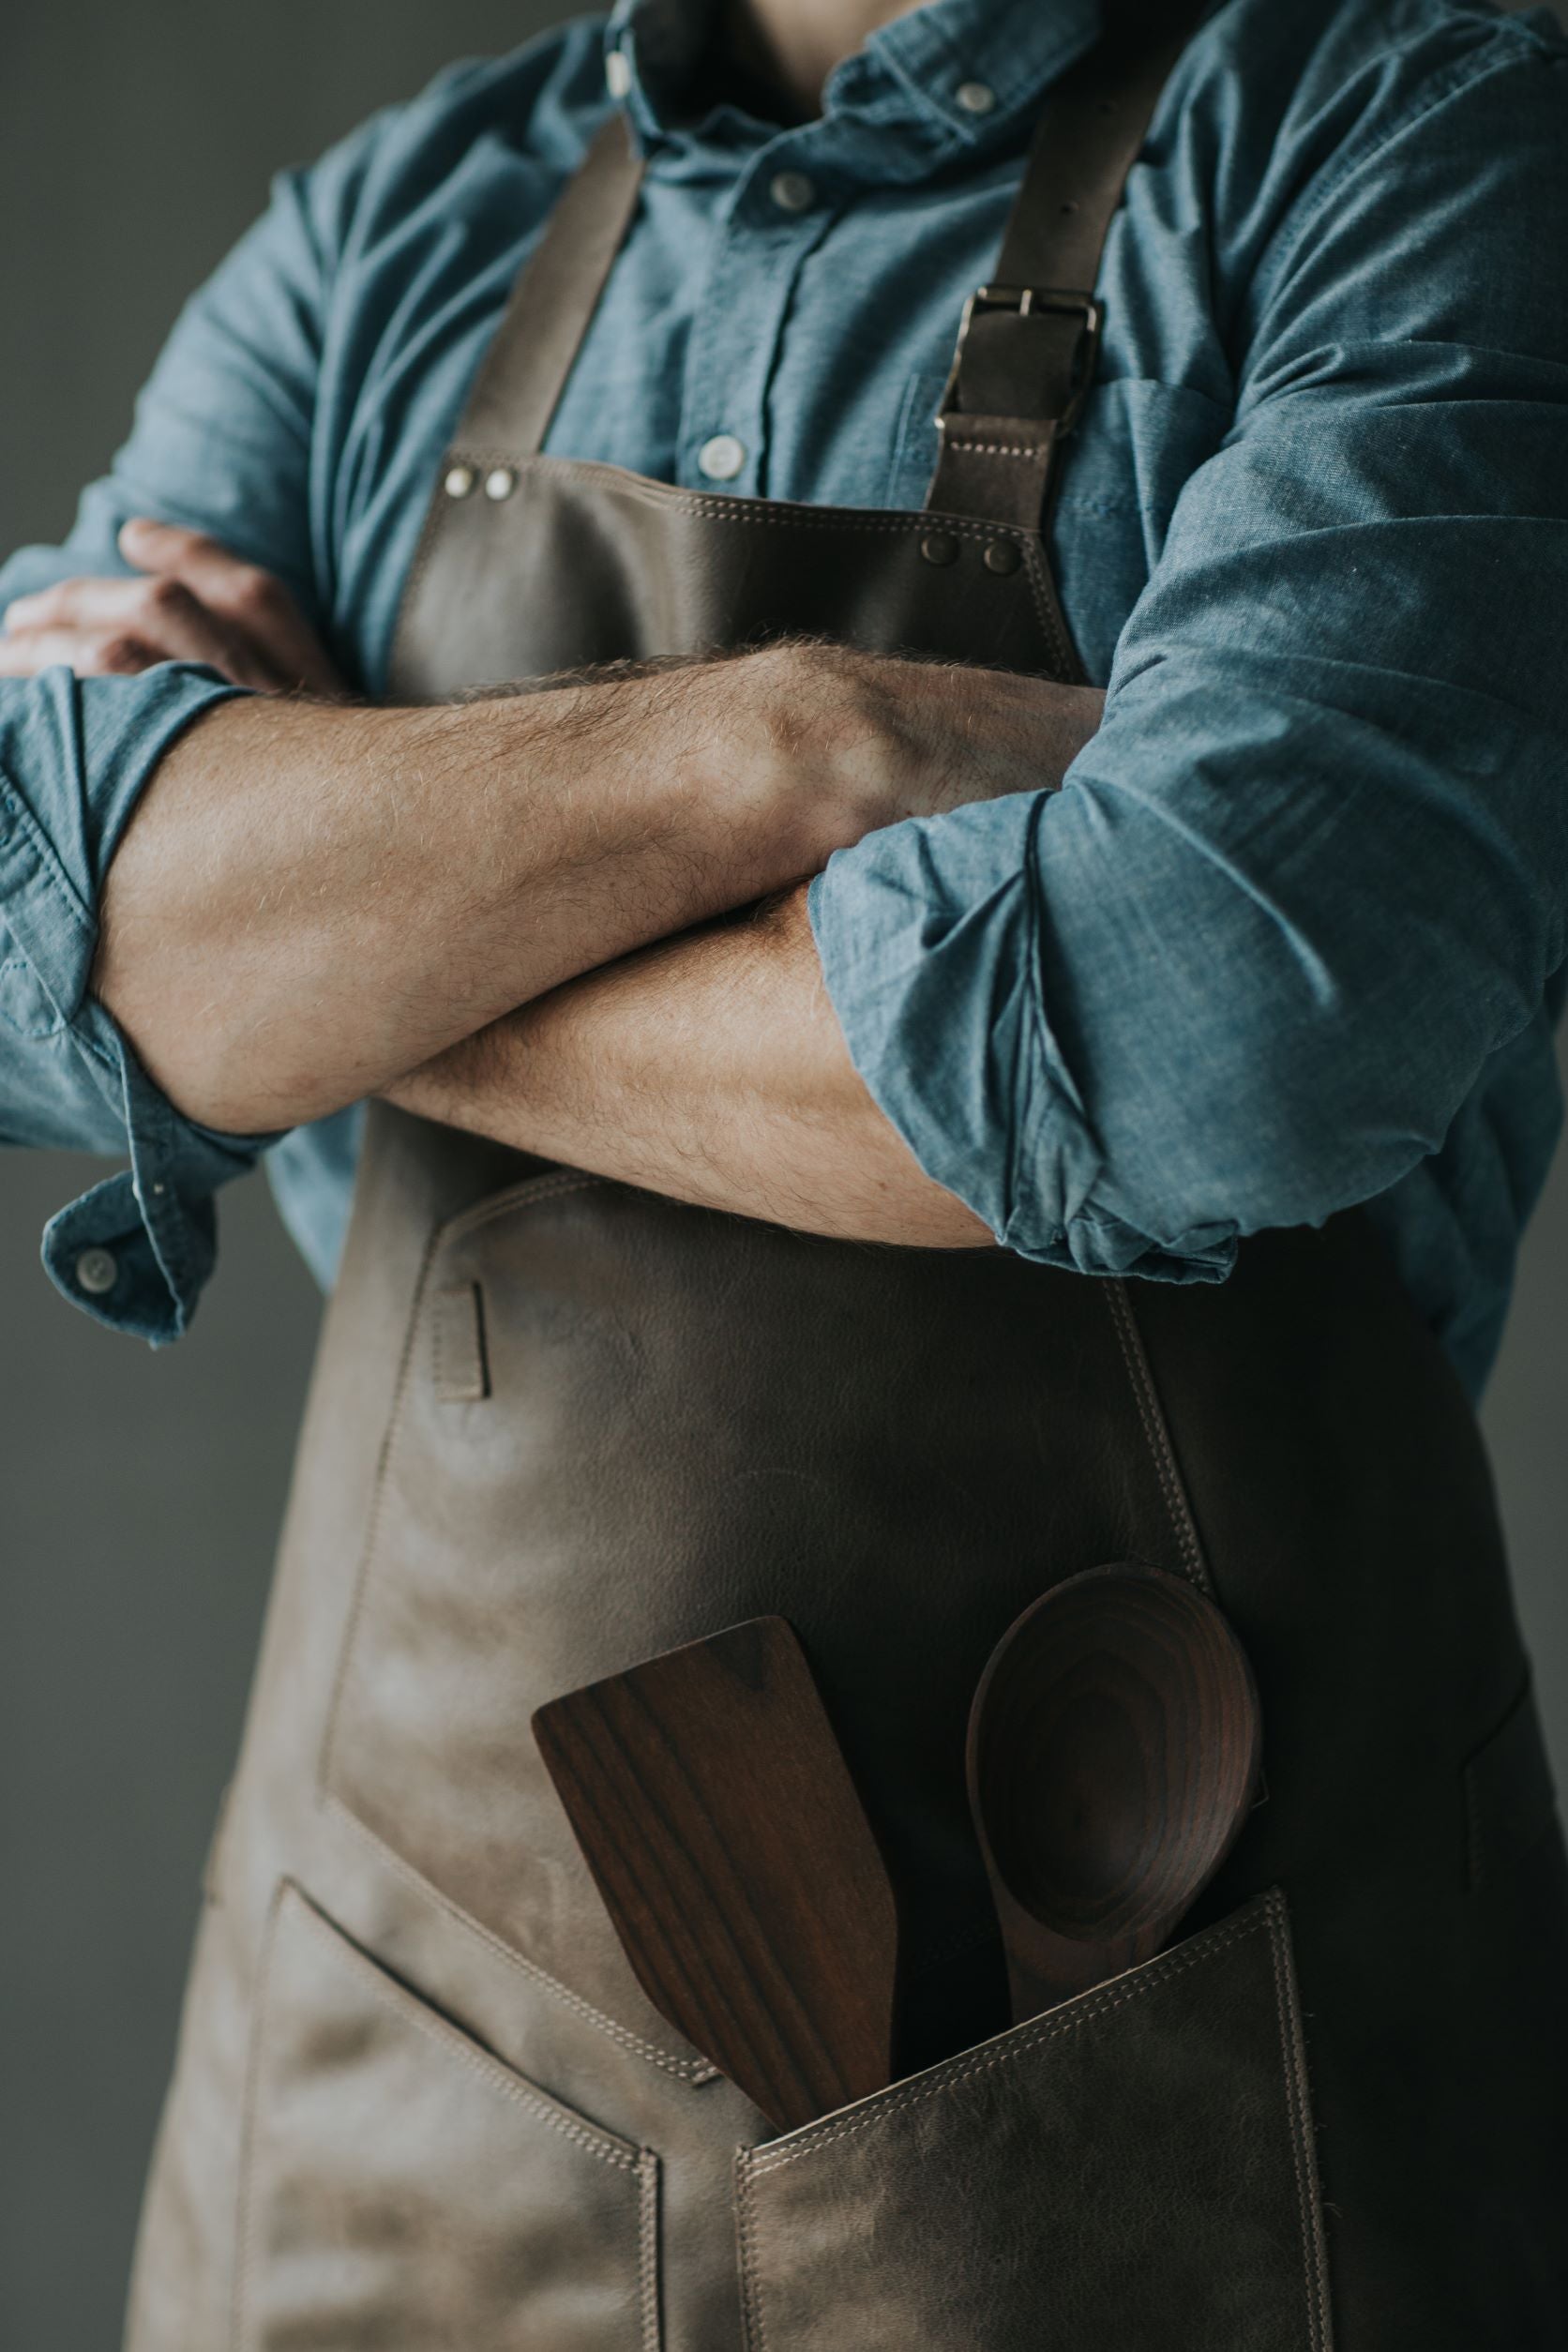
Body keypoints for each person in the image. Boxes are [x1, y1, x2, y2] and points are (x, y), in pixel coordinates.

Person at [4, 0, 1568, 2341]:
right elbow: (29, 923)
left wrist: (319, 931)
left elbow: (1201, 1027)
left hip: (1178, 2096)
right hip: (381, 2073)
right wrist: (789, 747)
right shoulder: (387, 234)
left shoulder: (1412, 133)